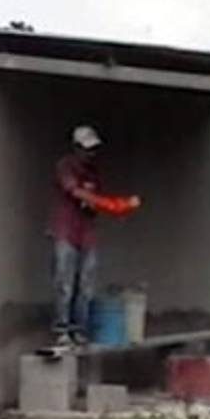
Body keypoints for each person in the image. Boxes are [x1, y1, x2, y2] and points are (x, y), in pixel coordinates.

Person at [49, 125, 140, 346]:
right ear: (76, 148)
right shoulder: (65, 166)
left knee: (86, 286)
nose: (91, 154)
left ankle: (80, 330)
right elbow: (74, 191)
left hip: (87, 233)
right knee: (65, 283)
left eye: (94, 149)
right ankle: (62, 330)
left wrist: (110, 208)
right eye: (86, 149)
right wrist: (113, 205)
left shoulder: (93, 173)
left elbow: (92, 201)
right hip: (65, 232)